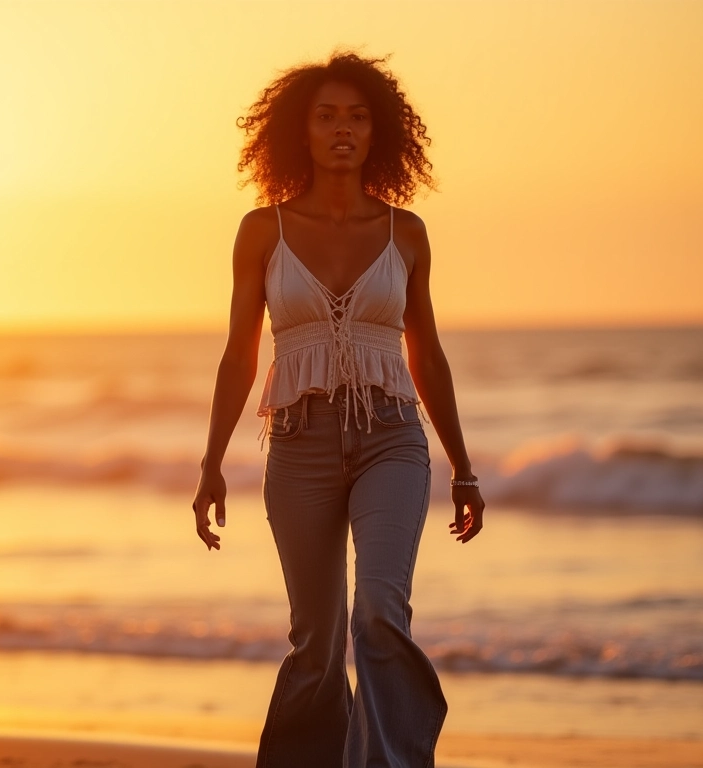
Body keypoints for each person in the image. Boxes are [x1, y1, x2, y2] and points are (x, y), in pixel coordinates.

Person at [192, 50, 485, 768]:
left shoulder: (405, 232)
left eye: (357, 117)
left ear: (378, 132)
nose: (342, 130)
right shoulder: (262, 232)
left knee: (380, 615)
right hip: (298, 446)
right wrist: (211, 464)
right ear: (302, 131)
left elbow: (430, 358)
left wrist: (464, 468)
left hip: (392, 439)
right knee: (317, 646)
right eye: (326, 117)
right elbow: (239, 356)